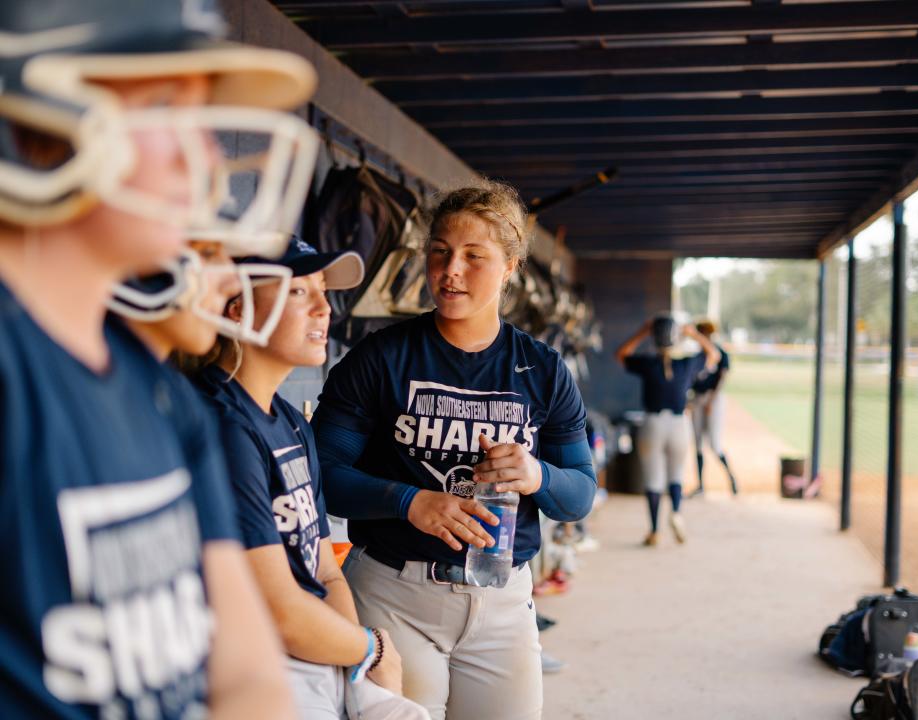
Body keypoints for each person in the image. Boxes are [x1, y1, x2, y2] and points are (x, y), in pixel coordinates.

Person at [0, 0, 319, 716]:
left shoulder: (162, 395)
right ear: (32, 125)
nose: (206, 160)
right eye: (166, 106)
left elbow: (245, 677)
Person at [311, 180, 597, 720]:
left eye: (474, 256)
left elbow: (580, 495)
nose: (451, 270)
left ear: (510, 266)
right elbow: (321, 475)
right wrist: (408, 501)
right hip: (395, 592)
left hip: (503, 597)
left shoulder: (542, 369)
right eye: (439, 252)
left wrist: (536, 475)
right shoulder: (380, 358)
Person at [190, 237, 429, 720]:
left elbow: (324, 571)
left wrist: (356, 680)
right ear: (236, 309)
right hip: (255, 672)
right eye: (300, 292)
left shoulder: (291, 422)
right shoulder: (220, 422)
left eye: (323, 290)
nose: (325, 309)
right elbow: (279, 612)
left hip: (321, 658)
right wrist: (373, 648)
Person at [615, 316, 719, 547]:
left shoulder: (649, 363)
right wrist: (692, 333)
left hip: (653, 423)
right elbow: (714, 354)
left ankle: (654, 530)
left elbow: (621, 354)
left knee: (653, 478)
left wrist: (643, 331)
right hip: (679, 423)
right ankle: (676, 513)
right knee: (676, 474)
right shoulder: (686, 364)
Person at [688, 320, 738, 497]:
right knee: (698, 443)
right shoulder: (697, 357)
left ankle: (732, 479)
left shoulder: (719, 353)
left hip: (713, 399)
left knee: (715, 444)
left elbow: (722, 377)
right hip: (698, 399)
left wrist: (712, 400)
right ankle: (700, 486)